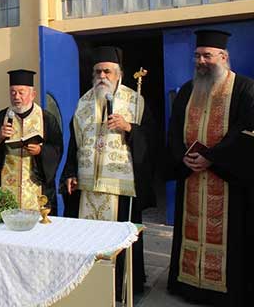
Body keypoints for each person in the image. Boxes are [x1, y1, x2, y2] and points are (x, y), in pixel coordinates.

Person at [167, 30, 254, 306]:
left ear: (224, 57)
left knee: (233, 237)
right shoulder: (187, 90)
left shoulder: (244, 89)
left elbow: (246, 133)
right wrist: (183, 157)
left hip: (228, 180)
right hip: (192, 176)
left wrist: (213, 158)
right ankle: (190, 285)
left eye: (207, 55)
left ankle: (226, 291)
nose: (201, 61)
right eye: (197, 56)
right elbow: (174, 131)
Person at [60, 46, 155, 294]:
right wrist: (70, 172)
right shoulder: (83, 103)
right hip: (87, 186)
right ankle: (88, 285)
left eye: (107, 72)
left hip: (119, 186)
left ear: (118, 74)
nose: (102, 76)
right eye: (98, 72)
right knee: (86, 239)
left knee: (119, 241)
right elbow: (74, 143)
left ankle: (121, 288)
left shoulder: (135, 101)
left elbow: (151, 141)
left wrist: (130, 128)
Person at [0, 69, 63, 211]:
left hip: (37, 188)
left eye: (21, 92)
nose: (16, 97)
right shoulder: (1, 117)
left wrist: (41, 151)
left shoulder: (46, 119)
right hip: (8, 185)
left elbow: (57, 148)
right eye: (13, 92)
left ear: (33, 94)